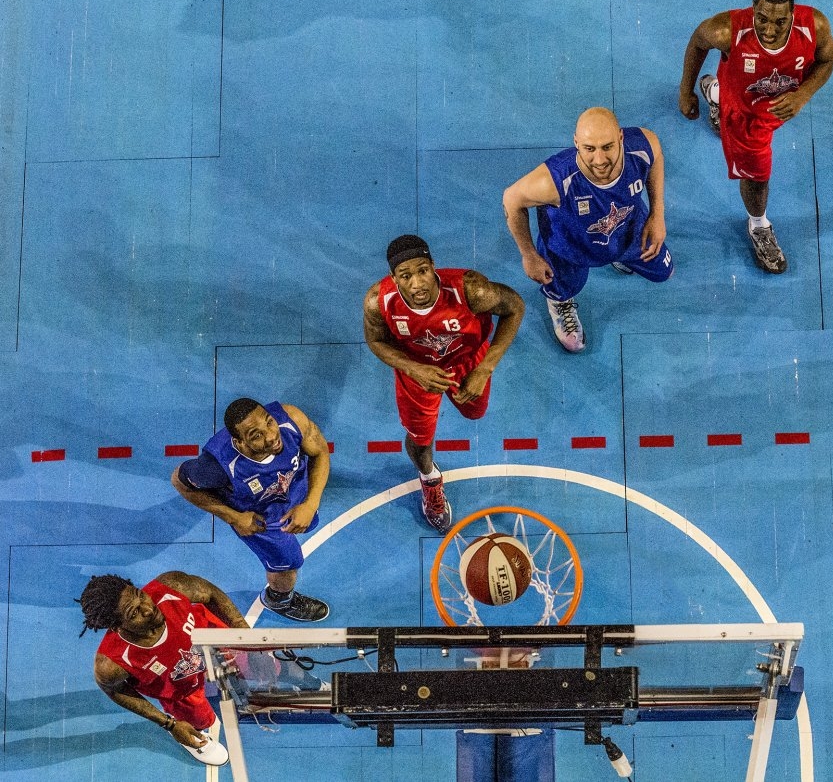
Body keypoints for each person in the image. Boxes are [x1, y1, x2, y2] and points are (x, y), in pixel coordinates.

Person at [363, 234, 524, 532]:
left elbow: (515, 306)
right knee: (420, 438)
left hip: (468, 362)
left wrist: (485, 369)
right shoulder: (378, 302)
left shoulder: (471, 289)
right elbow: (375, 341)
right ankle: (429, 479)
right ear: (394, 278)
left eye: (423, 271)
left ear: (433, 266)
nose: (417, 284)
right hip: (417, 371)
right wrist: (413, 368)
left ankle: (470, 378)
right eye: (405, 276)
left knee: (475, 412)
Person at [679, 0, 833, 274]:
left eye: (780, 22)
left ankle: (715, 93)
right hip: (746, 119)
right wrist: (684, 92)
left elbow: (827, 59)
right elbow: (698, 42)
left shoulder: (815, 26)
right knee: (757, 177)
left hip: (780, 102)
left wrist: (803, 95)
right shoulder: (726, 30)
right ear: (753, 8)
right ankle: (759, 225)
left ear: (793, 14)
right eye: (762, 19)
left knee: (733, 87)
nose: (769, 30)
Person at [502, 107, 674, 353]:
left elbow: (656, 156)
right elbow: (511, 199)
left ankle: (618, 256)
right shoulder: (554, 180)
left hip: (629, 230)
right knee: (561, 286)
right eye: (589, 149)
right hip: (570, 248)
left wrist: (657, 215)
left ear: (621, 137)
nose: (600, 160)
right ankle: (560, 302)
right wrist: (528, 254)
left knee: (665, 272)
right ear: (576, 144)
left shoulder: (643, 145)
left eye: (607, 147)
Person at [171, 398, 331, 622]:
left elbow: (320, 451)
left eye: (269, 422)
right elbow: (179, 481)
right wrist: (234, 518)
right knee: (288, 564)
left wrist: (310, 504)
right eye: (256, 435)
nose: (271, 436)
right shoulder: (216, 467)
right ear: (239, 442)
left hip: (296, 497)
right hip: (262, 521)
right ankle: (279, 599)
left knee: (309, 521)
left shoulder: (291, 419)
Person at [78, 570, 248, 767]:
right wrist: (170, 724)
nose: (148, 609)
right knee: (200, 722)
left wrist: (242, 630)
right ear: (117, 627)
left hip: (212, 641)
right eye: (134, 613)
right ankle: (193, 736)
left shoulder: (171, 587)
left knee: (259, 666)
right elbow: (114, 690)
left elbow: (209, 593)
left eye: (141, 595)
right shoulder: (113, 663)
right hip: (181, 689)